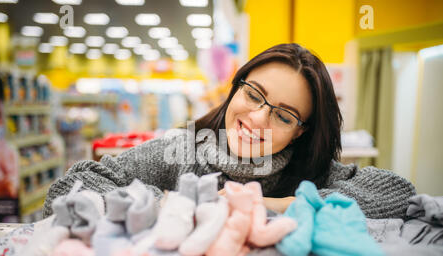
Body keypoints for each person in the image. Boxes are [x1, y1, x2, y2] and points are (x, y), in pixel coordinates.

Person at [43, 43, 415, 219]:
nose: (257, 119)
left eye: (284, 116)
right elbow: (67, 190)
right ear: (235, 87)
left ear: (301, 132)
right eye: (253, 95)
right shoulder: (181, 153)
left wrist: (280, 205)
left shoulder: (307, 173)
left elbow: (401, 194)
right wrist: (176, 204)